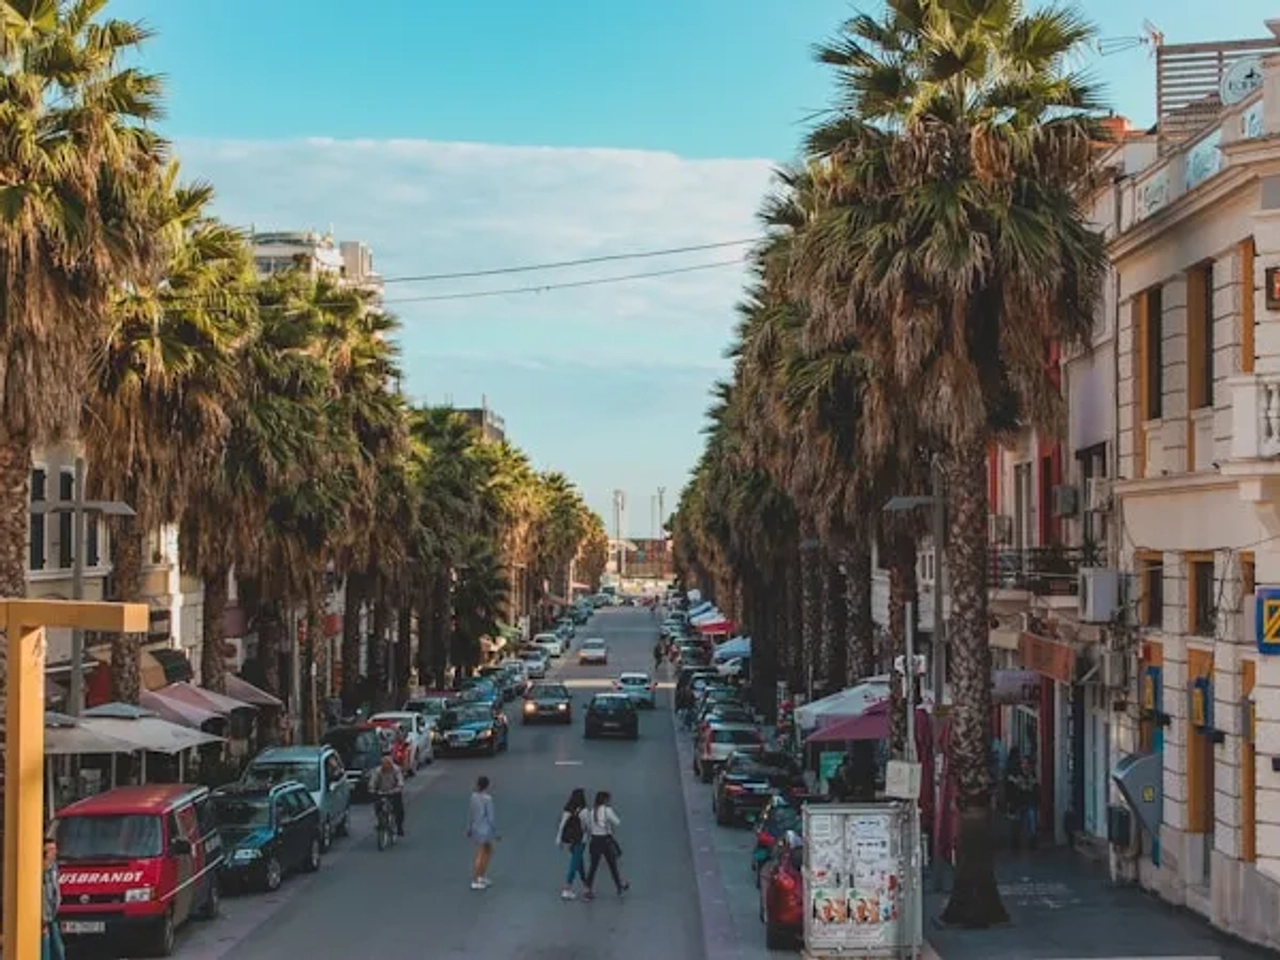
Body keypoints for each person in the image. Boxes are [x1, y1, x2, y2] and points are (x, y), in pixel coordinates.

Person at [582, 790, 628, 900]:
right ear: (605, 800)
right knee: (612, 865)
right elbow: (617, 822)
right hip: (606, 840)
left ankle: (587, 890)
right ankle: (619, 886)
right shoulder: (608, 810)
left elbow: (588, 826)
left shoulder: (591, 811)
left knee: (593, 866)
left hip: (594, 841)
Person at [556, 787, 590, 900]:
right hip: (581, 840)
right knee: (574, 864)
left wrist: (559, 839)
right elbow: (587, 826)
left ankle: (586, 885)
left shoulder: (567, 809)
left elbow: (561, 825)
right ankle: (567, 889)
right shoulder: (584, 811)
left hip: (571, 839)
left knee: (579, 862)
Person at [468, 776, 498, 890]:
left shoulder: (473, 797)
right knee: (481, 853)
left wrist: (469, 827)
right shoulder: (488, 799)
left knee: (488, 850)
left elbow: (471, 813)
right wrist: (495, 832)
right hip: (485, 830)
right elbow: (491, 817)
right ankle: (476, 879)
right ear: (487, 786)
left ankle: (481, 876)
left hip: (476, 828)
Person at [370, 754, 406, 837]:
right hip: (381, 791)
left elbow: (400, 781)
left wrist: (398, 788)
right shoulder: (377, 771)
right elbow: (373, 781)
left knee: (399, 809)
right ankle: (380, 821)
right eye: (384, 764)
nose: (386, 766)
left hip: (393, 791)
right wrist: (372, 789)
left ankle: (399, 826)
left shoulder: (396, 770)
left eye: (388, 764)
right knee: (377, 805)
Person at [43, 835, 65, 960]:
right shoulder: (41, 871)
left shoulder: (54, 868)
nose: (54, 853)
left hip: (52, 916)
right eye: (51, 850)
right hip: (44, 918)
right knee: (46, 951)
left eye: (55, 849)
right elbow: (43, 895)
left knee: (58, 950)